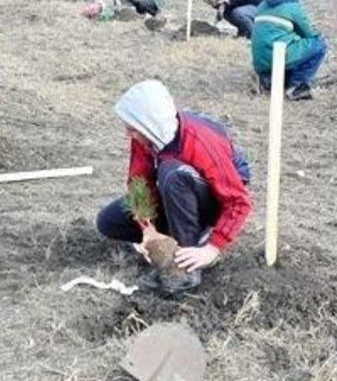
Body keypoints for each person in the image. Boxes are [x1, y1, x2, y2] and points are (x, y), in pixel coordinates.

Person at [96, 80, 253, 294]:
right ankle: (175, 236)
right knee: (108, 221)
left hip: (213, 198)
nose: (127, 134)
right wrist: (147, 230)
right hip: (178, 191)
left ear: (149, 124)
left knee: (173, 174)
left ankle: (184, 268)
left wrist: (213, 248)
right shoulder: (145, 136)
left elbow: (237, 201)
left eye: (131, 129)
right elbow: (139, 183)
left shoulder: (201, 142)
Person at [251, 0, 328, 101]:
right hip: (278, 56)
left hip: (260, 64)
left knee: (288, 46)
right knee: (320, 43)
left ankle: (268, 81)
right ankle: (296, 87)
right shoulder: (293, 7)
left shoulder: (261, 6)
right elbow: (310, 34)